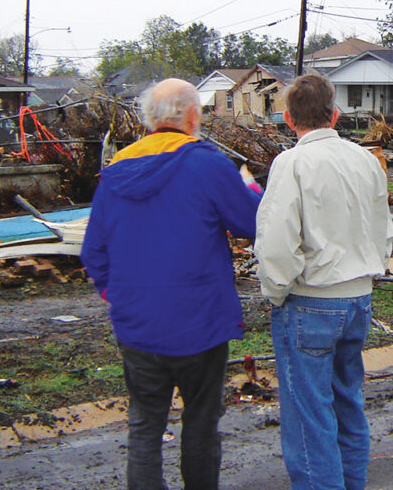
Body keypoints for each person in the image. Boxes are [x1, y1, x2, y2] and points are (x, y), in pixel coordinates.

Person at [80, 78, 261, 490]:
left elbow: (93, 255)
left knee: (144, 425)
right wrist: (249, 186)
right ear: (194, 115)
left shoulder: (114, 172)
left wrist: (118, 297)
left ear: (148, 119)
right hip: (202, 323)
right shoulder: (208, 164)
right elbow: (250, 222)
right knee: (200, 424)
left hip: (137, 324)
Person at [254, 74, 393, 490]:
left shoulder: (292, 163)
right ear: (335, 115)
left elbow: (278, 242)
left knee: (308, 418)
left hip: (310, 301)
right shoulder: (366, 159)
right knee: (347, 403)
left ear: (287, 118)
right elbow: (383, 227)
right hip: (358, 297)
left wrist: (275, 292)